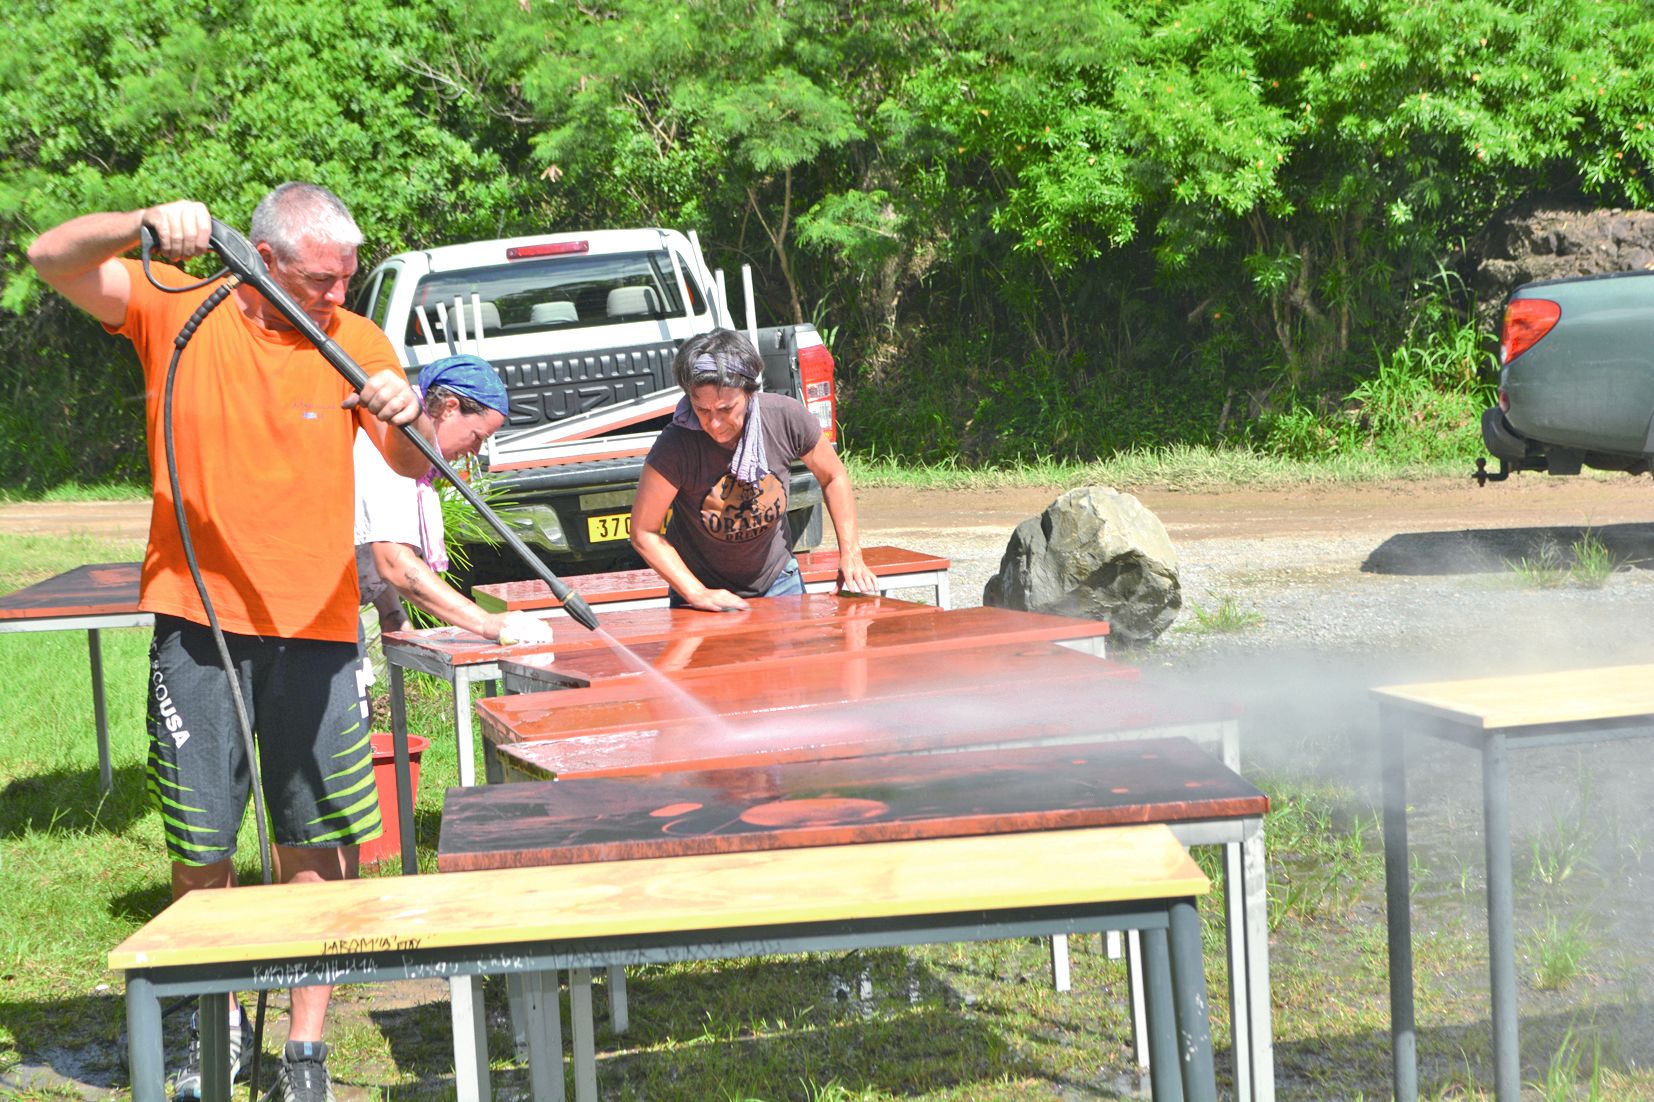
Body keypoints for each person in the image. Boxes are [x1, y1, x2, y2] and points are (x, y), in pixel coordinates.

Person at [27, 183, 432, 1102]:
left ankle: (305, 1050)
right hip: (197, 627)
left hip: (318, 627)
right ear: (264, 259)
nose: (337, 295)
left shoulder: (355, 340)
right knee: (202, 841)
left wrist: (406, 411)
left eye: (347, 278)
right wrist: (141, 226)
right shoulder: (175, 305)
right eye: (321, 279)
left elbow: (409, 463)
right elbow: (50, 256)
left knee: (318, 845)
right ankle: (211, 1030)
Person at [631, 327, 879, 611]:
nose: (714, 424)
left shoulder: (785, 417)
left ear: (750, 392)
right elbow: (643, 531)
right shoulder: (676, 445)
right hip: (703, 592)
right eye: (702, 410)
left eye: (726, 409)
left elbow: (833, 476)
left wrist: (851, 553)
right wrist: (696, 592)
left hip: (779, 581)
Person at [355, 353, 553, 647]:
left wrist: (392, 612)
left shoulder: (401, 441)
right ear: (449, 408)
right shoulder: (399, 444)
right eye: (477, 436)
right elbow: (395, 563)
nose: (475, 450)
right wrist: (486, 622)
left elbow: (368, 537)